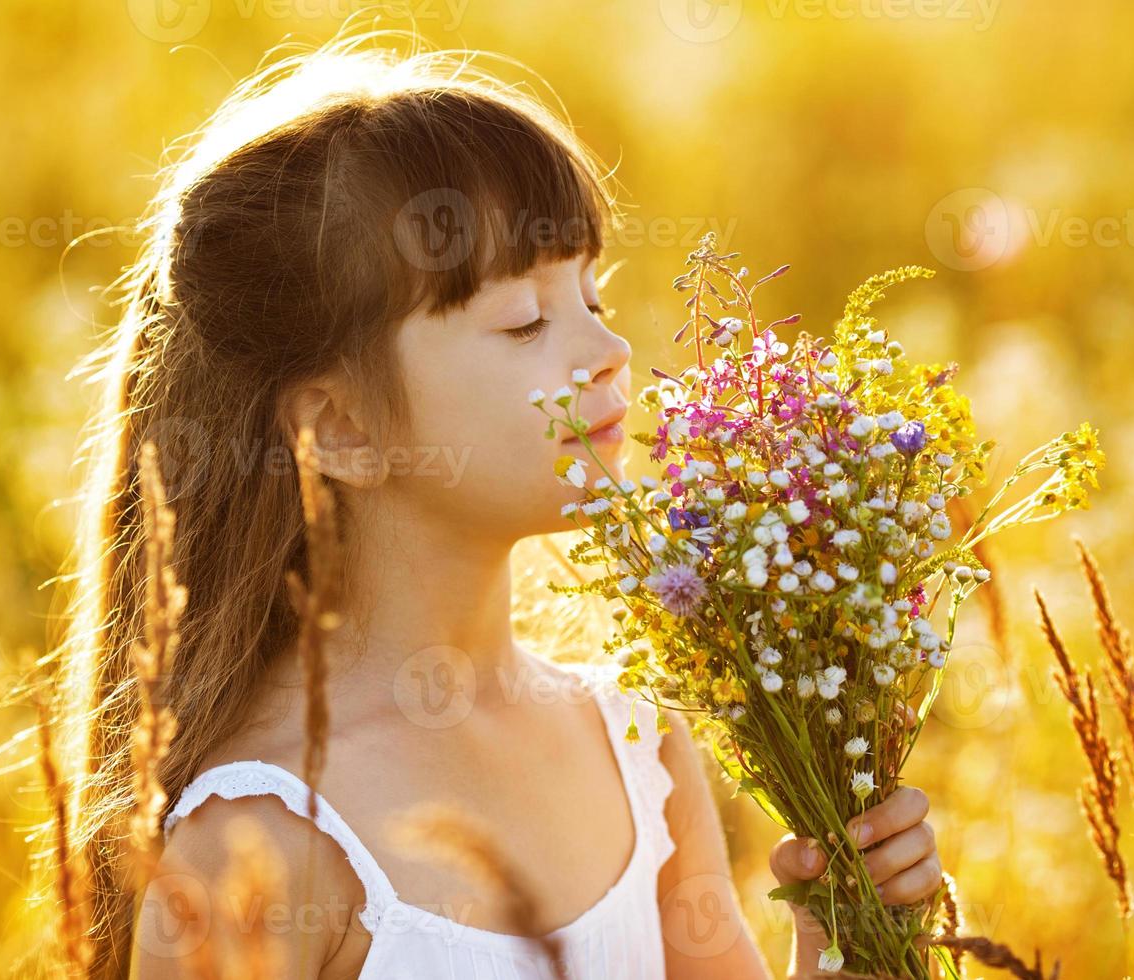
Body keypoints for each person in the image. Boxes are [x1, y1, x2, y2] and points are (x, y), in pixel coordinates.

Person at [58, 25, 942, 979]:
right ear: (341, 430)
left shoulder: (636, 746)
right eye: (522, 322)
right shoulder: (261, 839)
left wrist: (848, 947)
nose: (607, 351)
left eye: (593, 298)